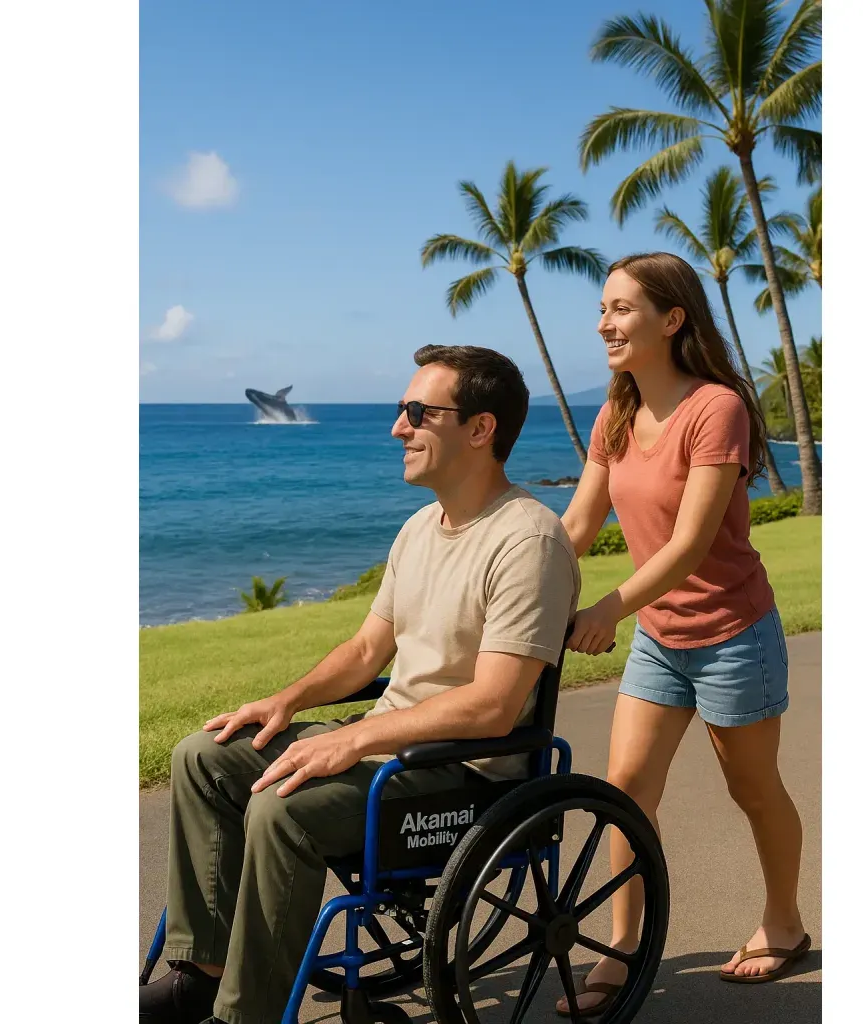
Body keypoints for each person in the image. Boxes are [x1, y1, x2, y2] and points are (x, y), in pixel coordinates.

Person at [141, 344, 581, 1024]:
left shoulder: (529, 541)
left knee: (283, 809)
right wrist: (287, 702)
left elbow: (494, 705)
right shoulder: (418, 529)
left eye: (416, 412)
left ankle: (247, 1013)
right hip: (391, 752)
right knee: (203, 757)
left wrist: (357, 740)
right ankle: (203, 972)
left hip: (463, 773)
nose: (397, 428)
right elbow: (366, 648)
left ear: (479, 429)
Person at [555, 253, 809, 1016]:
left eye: (623, 308)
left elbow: (691, 545)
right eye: (603, 308)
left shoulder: (716, 408)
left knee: (752, 789)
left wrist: (608, 608)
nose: (605, 322)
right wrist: (504, 583)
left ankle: (785, 924)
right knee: (626, 791)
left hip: (734, 632)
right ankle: (624, 947)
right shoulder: (616, 415)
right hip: (662, 639)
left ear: (673, 319)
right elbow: (576, 523)